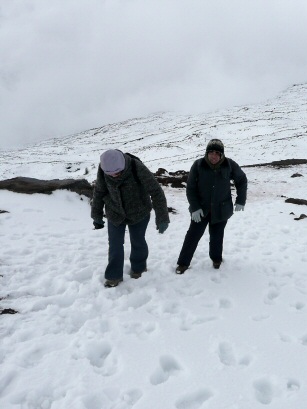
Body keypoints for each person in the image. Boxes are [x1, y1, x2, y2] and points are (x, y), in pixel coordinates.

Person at [91, 149, 170, 287]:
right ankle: (113, 276)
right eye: (110, 174)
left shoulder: (135, 167)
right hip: (115, 212)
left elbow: (156, 191)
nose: (114, 176)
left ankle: (138, 268)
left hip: (139, 211)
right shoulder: (103, 168)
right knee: (115, 245)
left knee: (138, 241)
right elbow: (99, 191)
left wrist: (162, 217)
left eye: (117, 172)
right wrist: (96, 215)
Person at [176, 139, 247, 273]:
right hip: (201, 210)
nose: (214, 156)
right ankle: (183, 263)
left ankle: (216, 259)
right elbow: (190, 188)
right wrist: (195, 207)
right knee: (192, 235)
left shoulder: (229, 164)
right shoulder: (198, 165)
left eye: (217, 153)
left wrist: (241, 199)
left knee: (217, 236)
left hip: (221, 209)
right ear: (207, 153)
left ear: (221, 155)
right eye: (211, 152)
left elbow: (242, 180)